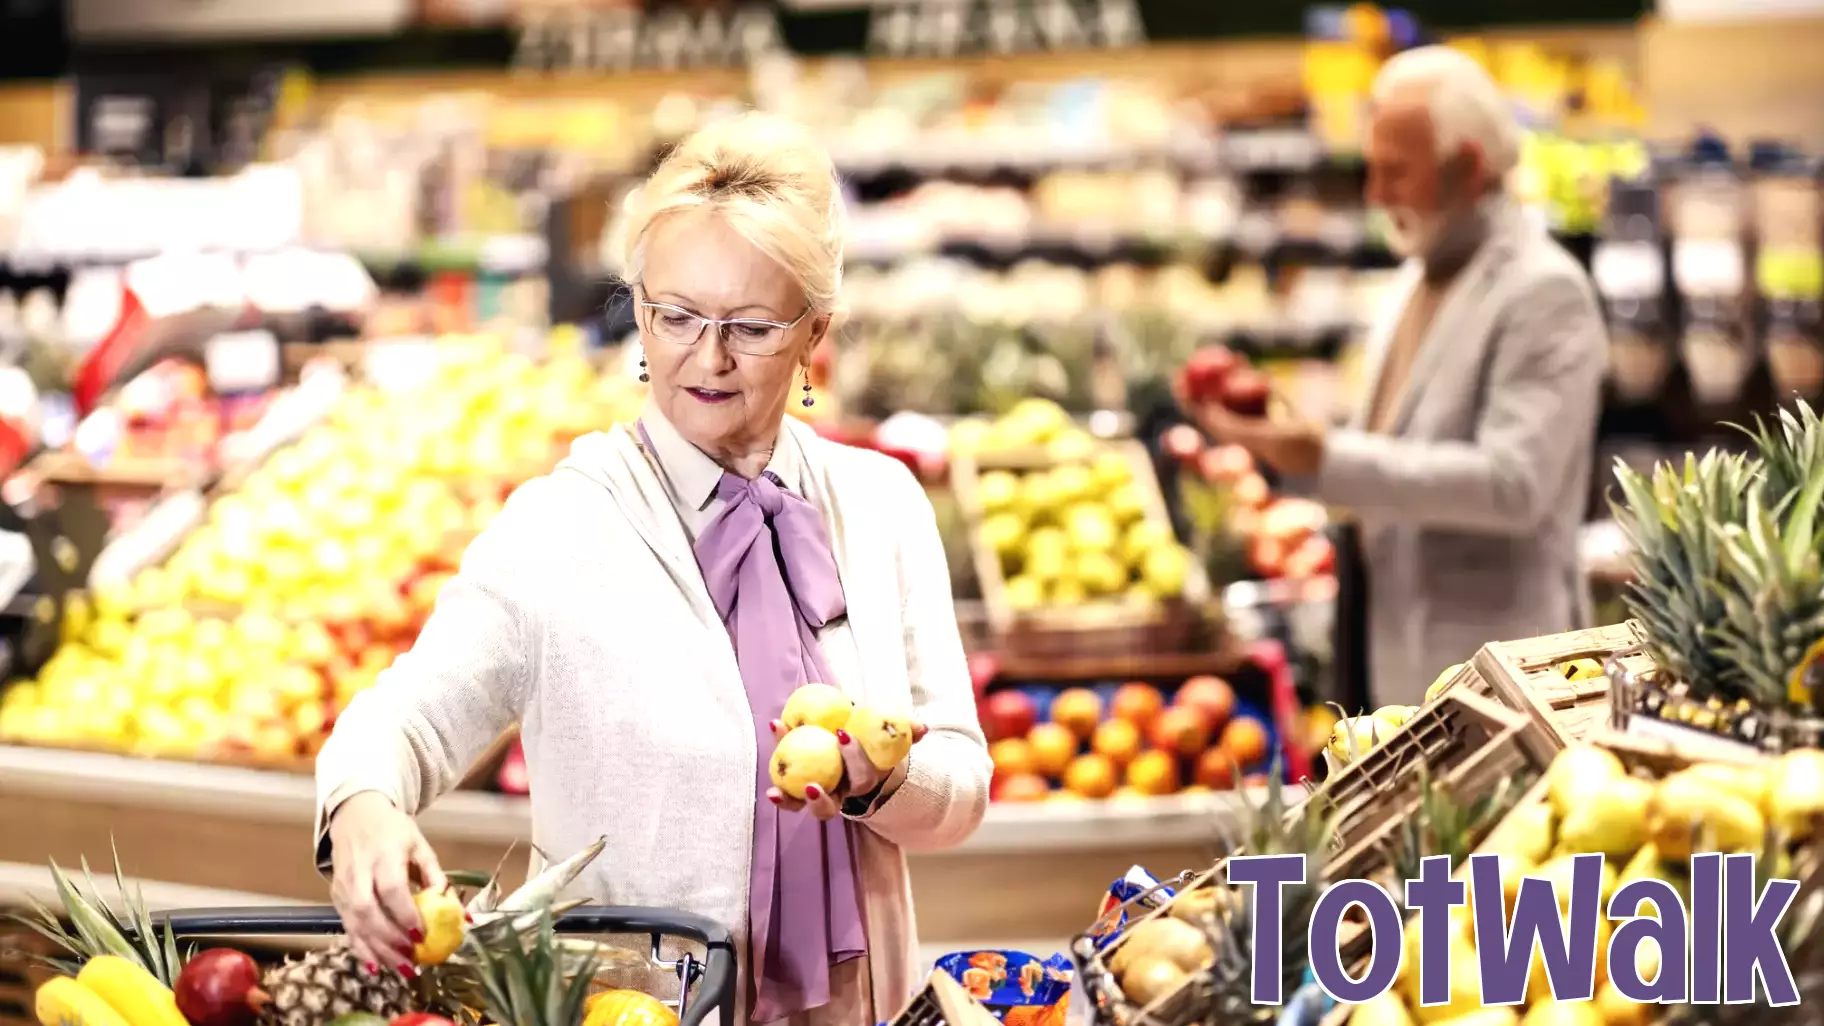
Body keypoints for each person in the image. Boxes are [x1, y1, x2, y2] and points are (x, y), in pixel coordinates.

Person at [314, 112, 992, 1026]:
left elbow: (959, 791)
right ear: (638, 310)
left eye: (750, 328)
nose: (705, 359)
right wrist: (362, 804)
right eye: (675, 316)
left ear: (814, 332)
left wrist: (874, 779)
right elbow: (399, 723)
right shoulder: (562, 526)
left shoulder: (880, 507)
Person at [1179, 46, 1608, 706]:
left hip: (1501, 682)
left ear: (1467, 168)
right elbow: (1395, 447)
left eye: (1395, 172)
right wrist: (1286, 441)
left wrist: (1326, 458)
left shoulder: (1544, 290)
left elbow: (1516, 485)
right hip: (1398, 661)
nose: (1375, 194)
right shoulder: (1415, 275)